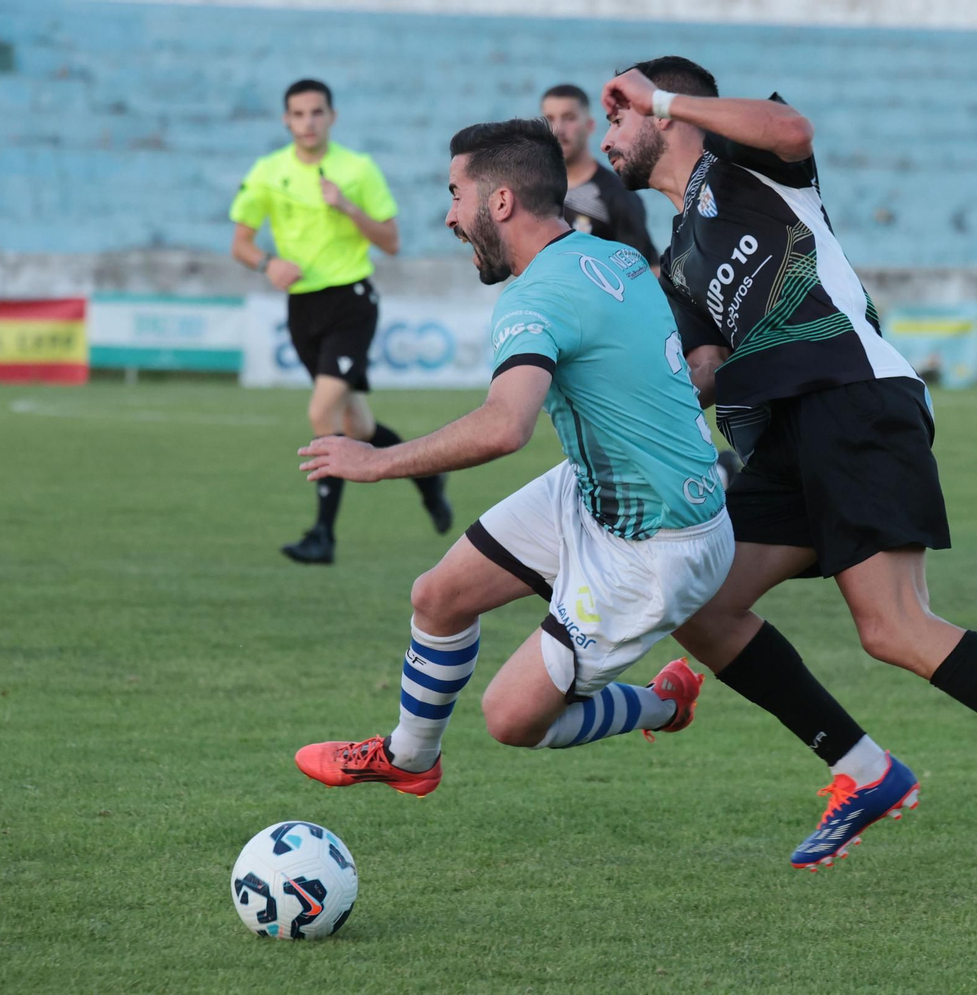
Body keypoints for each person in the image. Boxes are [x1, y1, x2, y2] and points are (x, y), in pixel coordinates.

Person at [599, 57, 977, 880]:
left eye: (619, 115)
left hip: (853, 396)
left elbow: (795, 130)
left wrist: (665, 95)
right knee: (702, 603)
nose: (609, 136)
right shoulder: (678, 251)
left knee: (893, 626)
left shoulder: (746, 162)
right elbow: (707, 365)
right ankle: (864, 769)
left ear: (667, 114)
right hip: (782, 437)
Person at [292, 119, 734, 795]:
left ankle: (664, 703)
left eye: (454, 195)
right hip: (602, 487)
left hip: (657, 540)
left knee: (511, 718)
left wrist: (374, 460)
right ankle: (410, 757)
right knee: (439, 596)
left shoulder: (537, 295)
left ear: (499, 203)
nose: (448, 216)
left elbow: (505, 426)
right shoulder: (611, 256)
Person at [229, 78, 452, 565]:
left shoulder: (358, 169)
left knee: (320, 412)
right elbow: (240, 242)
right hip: (301, 307)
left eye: (316, 112)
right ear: (286, 121)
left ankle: (322, 536)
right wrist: (268, 264)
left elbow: (391, 241)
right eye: (298, 114)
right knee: (359, 424)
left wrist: (347, 206)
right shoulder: (269, 172)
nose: (308, 122)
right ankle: (429, 478)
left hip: (351, 302)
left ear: (332, 117)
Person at [539, 84, 657, 265]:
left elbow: (648, 271)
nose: (559, 129)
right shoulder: (533, 191)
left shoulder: (617, 194)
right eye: (550, 119)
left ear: (590, 126)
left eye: (569, 118)